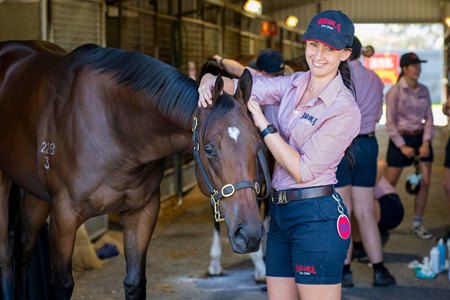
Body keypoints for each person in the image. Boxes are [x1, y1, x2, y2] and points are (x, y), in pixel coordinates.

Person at [199, 9, 360, 300]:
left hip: (315, 218)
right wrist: (211, 77)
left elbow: (303, 170)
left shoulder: (345, 109)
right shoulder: (294, 83)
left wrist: (262, 123)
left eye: (330, 49)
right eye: (314, 45)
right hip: (280, 214)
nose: (318, 55)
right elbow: (249, 88)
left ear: (345, 54)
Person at [335, 36, 395, 287]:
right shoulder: (374, 78)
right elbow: (379, 113)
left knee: (344, 211)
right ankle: (379, 270)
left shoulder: (337, 77)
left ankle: (345, 272)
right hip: (368, 144)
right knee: (366, 211)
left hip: (343, 146)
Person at [384, 52, 435, 240]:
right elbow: (389, 123)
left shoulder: (424, 90)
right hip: (400, 140)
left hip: (420, 139)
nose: (418, 69)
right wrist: (402, 146)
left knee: (425, 181)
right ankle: (382, 222)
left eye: (419, 66)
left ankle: (417, 223)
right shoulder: (394, 92)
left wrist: (426, 142)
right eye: (414, 66)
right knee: (388, 186)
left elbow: (429, 118)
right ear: (404, 69)